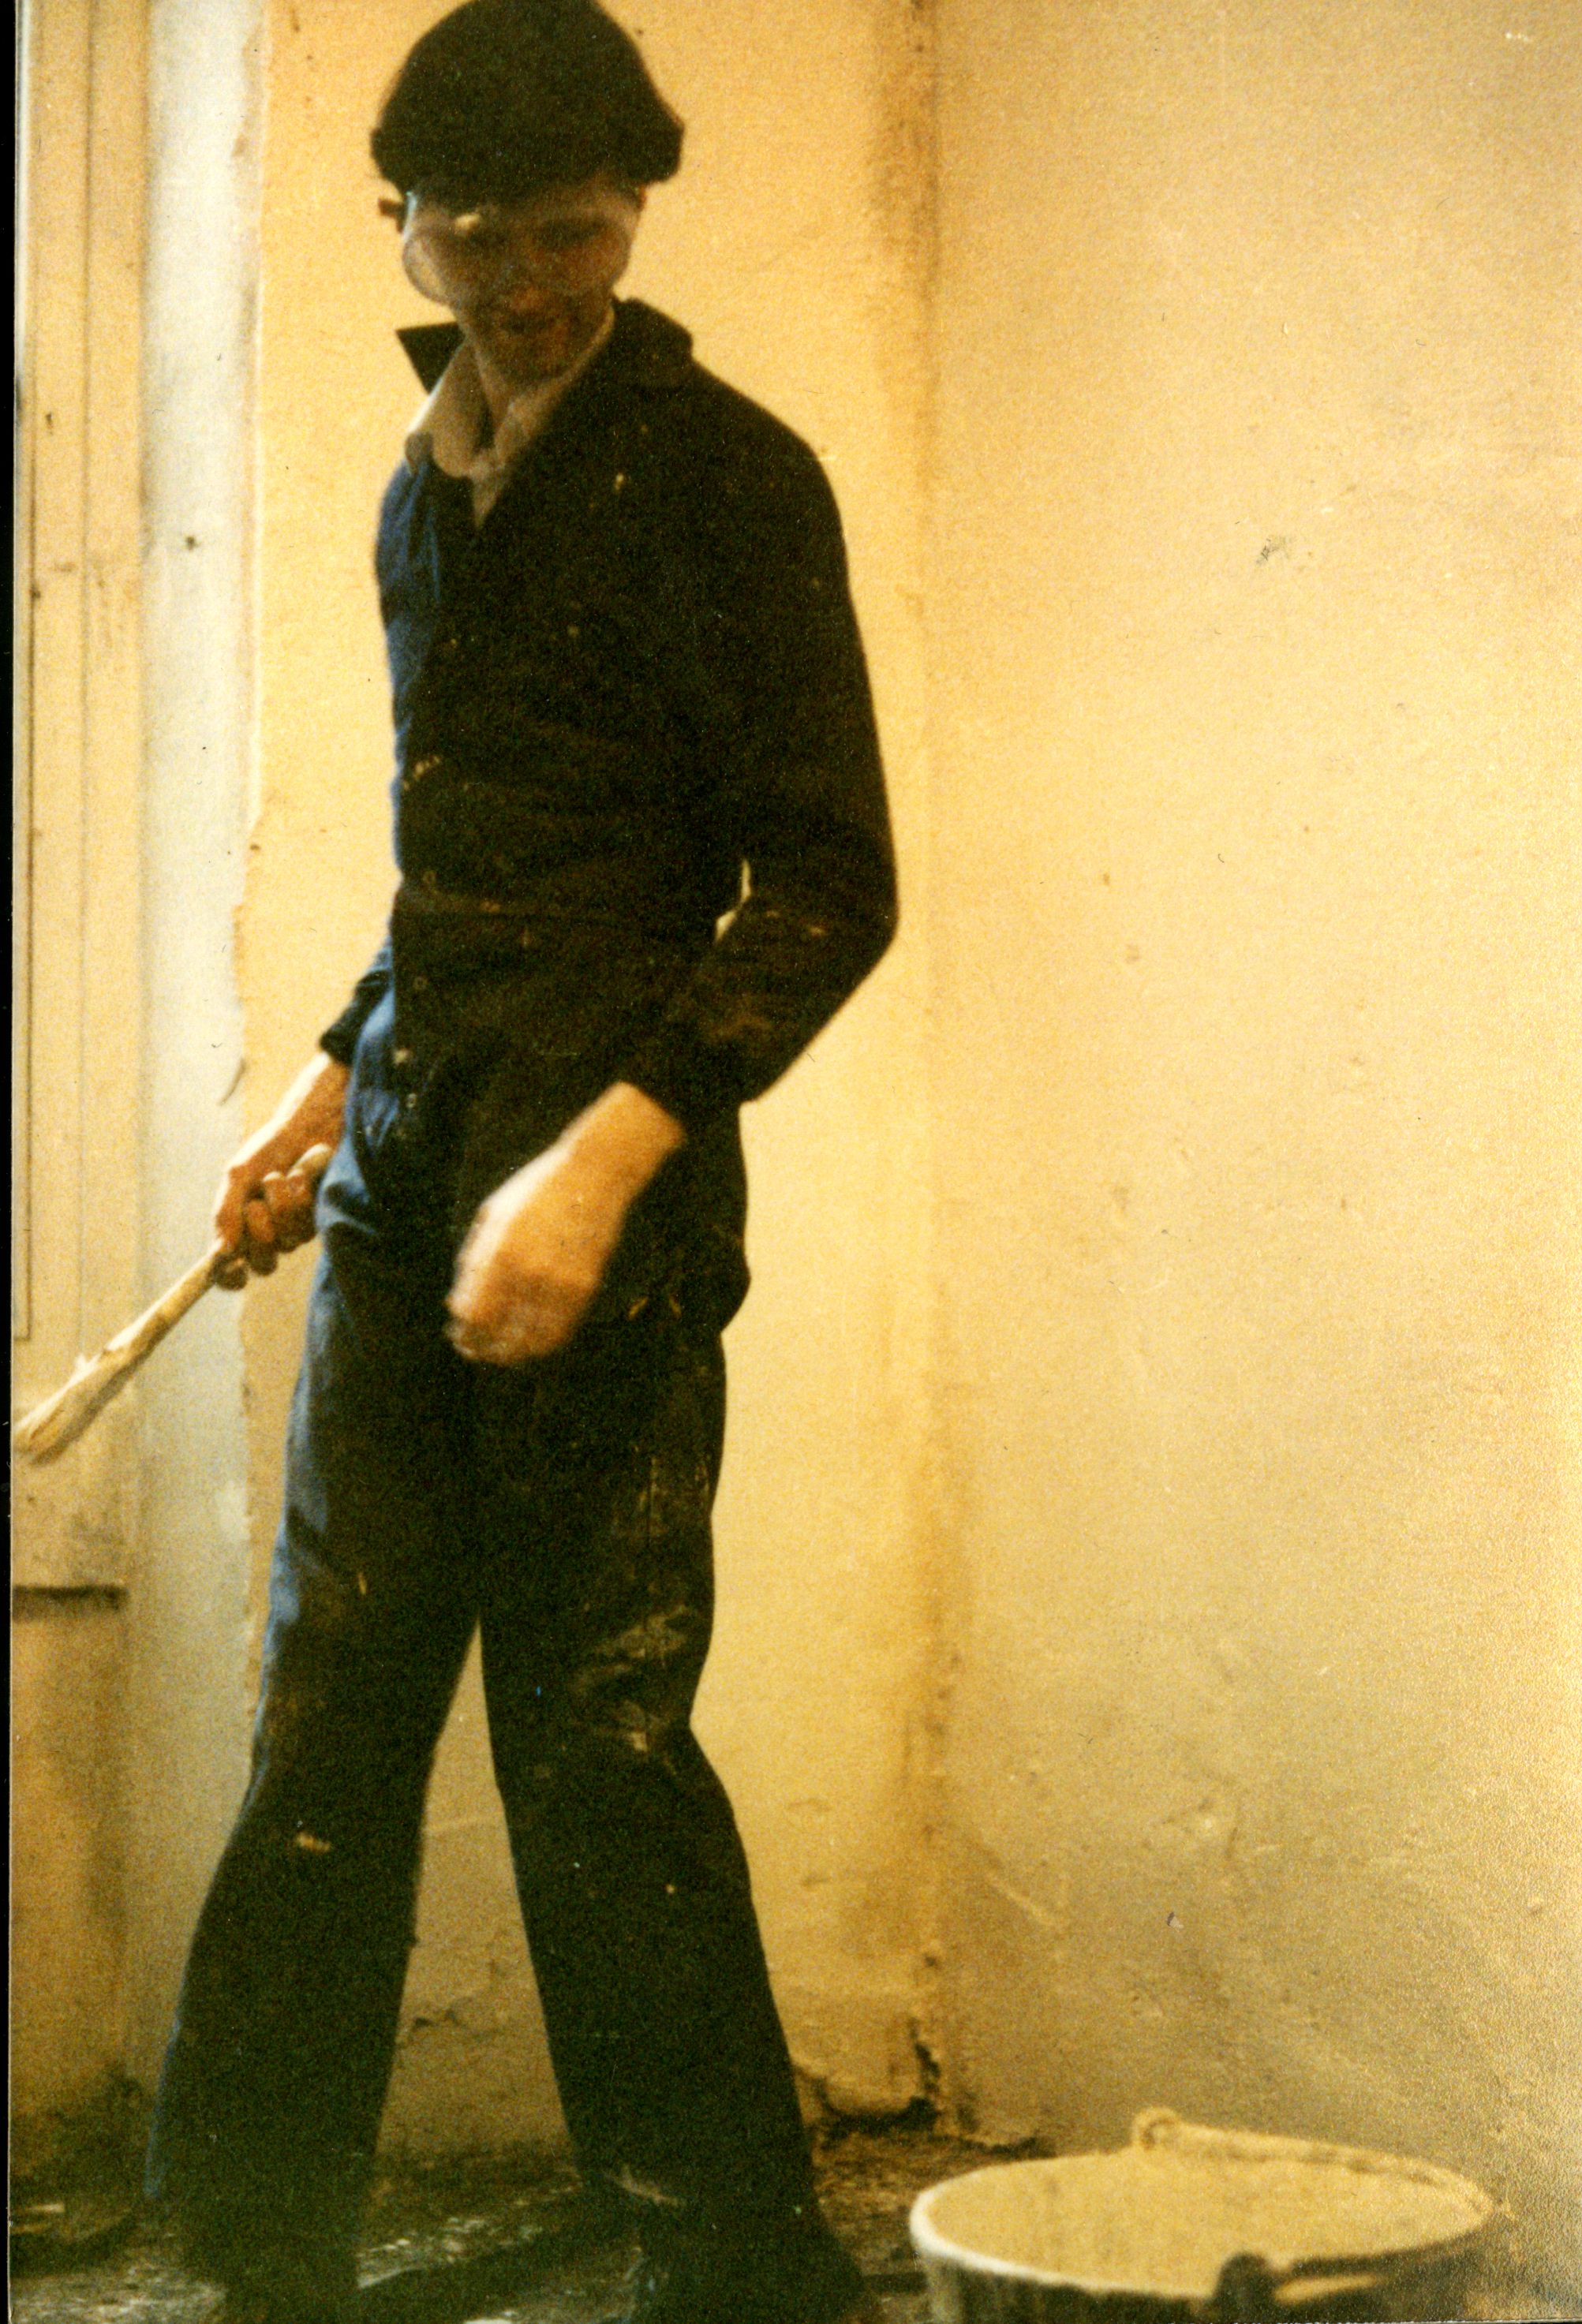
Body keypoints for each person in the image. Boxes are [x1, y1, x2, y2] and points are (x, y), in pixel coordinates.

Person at [141, 4, 898, 2321]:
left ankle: (731, 2266)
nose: (531, 279)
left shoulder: (735, 479)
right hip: (403, 1174)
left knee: (596, 1743)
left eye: (574, 228)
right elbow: (474, 871)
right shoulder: (421, 483)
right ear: (405, 223)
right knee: (329, 1719)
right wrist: (323, 1083)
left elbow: (826, 889)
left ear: (636, 213)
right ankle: (253, 2250)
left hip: (615, 1219)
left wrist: (600, 1169)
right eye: (477, 231)